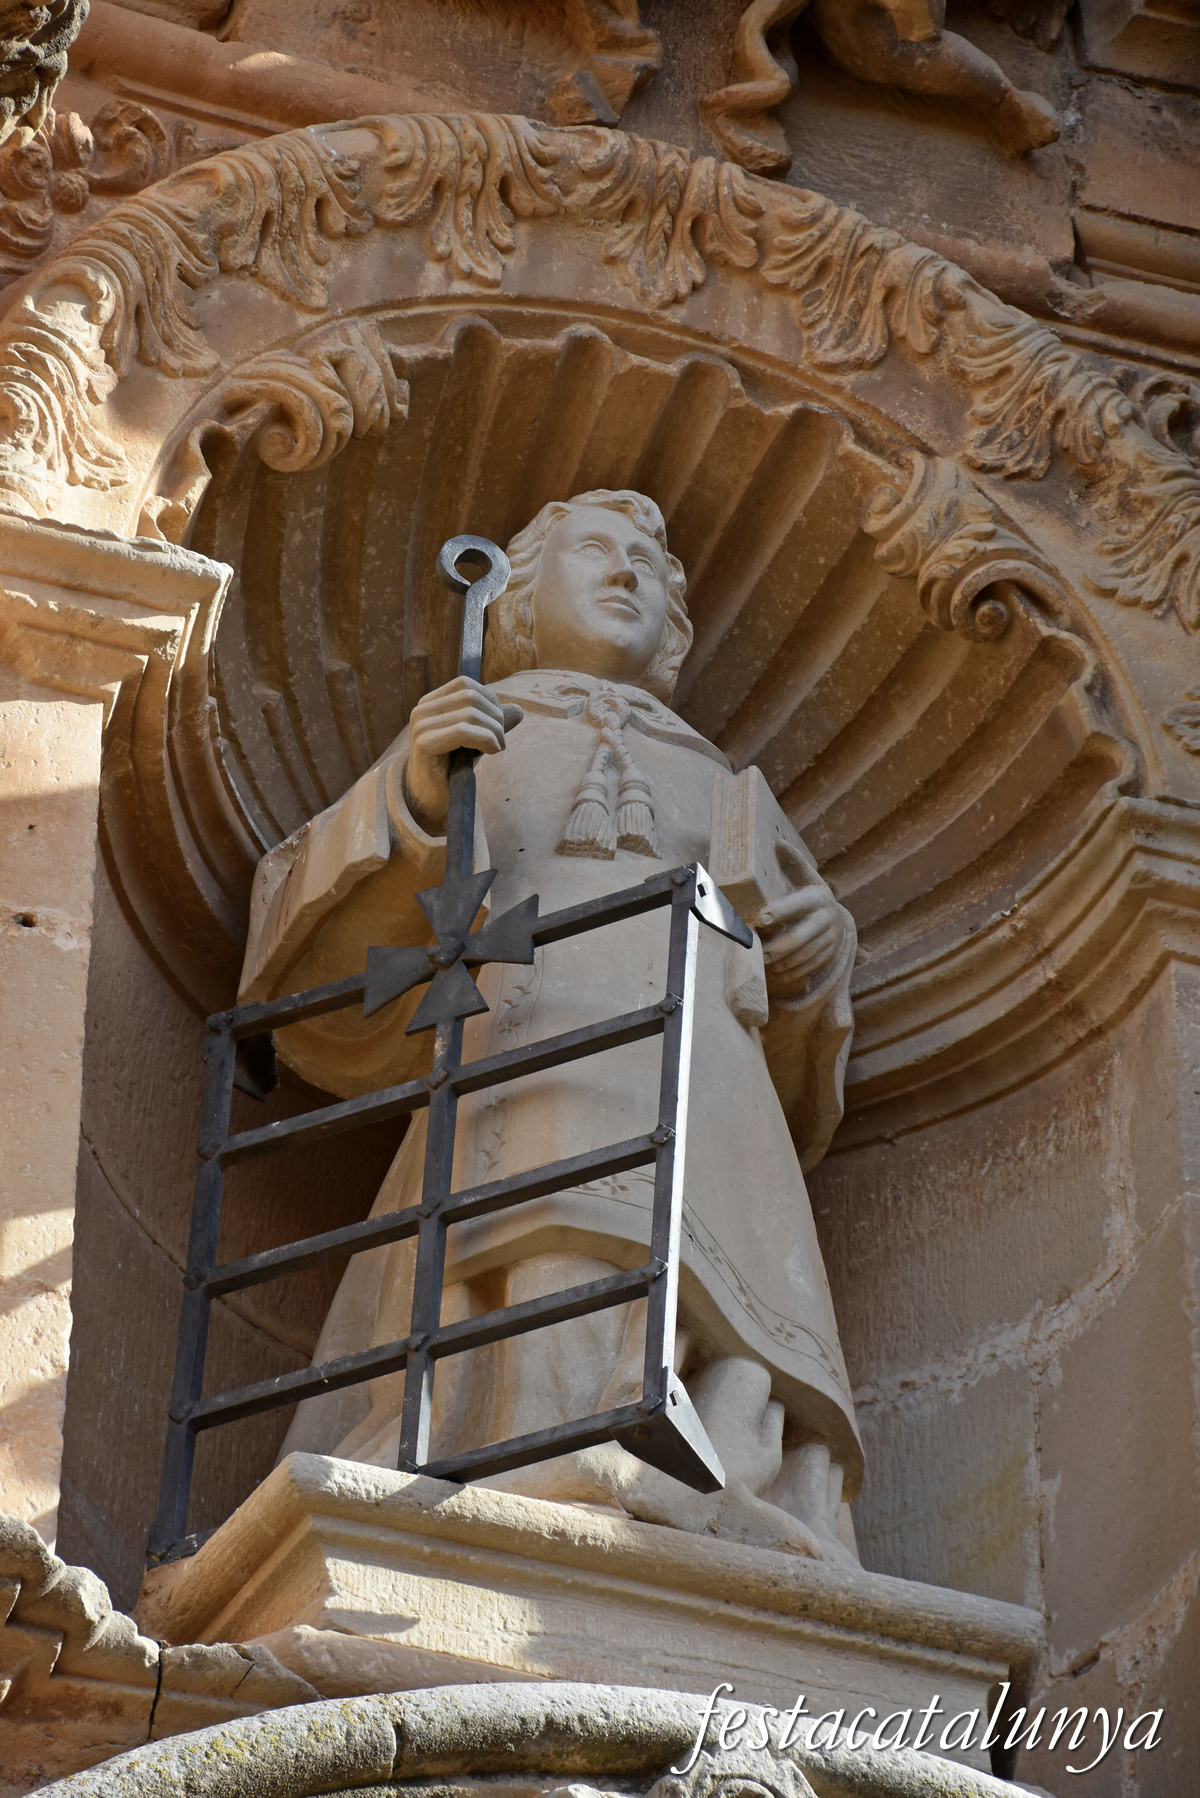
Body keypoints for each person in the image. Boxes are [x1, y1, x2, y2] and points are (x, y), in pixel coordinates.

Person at [240, 488, 862, 1561]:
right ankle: (530, 1436)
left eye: (647, 564)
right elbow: (294, 921)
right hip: (540, 1026)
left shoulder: (721, 780)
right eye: (595, 551)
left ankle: (724, 1466)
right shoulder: (480, 729)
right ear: (520, 596)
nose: (627, 571)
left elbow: (796, 991)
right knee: (551, 1209)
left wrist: (816, 955)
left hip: (707, 1059)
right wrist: (415, 795)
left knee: (722, 1267)